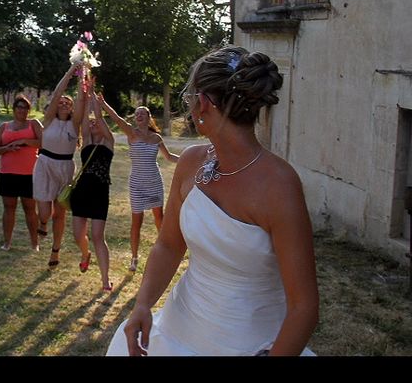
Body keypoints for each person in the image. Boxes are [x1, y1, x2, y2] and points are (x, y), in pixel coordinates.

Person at [106, 45, 319, 356]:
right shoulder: (191, 162)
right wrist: (142, 304)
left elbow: (304, 307)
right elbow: (168, 244)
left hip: (252, 346)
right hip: (177, 331)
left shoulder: (279, 184)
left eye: (191, 98)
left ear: (203, 103)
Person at [97, 97, 178, 271]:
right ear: (135, 118)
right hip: (137, 185)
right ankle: (134, 258)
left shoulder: (156, 138)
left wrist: (189, 159)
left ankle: (165, 252)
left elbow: (169, 157)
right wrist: (103, 104)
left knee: (159, 218)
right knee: (137, 222)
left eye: (143, 113)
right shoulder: (131, 133)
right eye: (137, 114)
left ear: (149, 117)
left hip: (154, 182)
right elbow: (117, 118)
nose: (140, 116)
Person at [33, 62, 85, 269]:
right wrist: (72, 71)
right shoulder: (48, 120)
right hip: (45, 164)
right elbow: (56, 93)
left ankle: (55, 251)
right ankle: (42, 222)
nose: (63, 103)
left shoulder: (75, 124)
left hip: (65, 168)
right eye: (61, 102)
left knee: (60, 212)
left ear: (72, 108)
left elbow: (82, 97)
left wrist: (83, 75)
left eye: (67, 102)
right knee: (45, 212)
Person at [70, 80, 115, 292]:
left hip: (100, 193)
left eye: (97, 123)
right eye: (91, 124)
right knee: (78, 234)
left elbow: (97, 117)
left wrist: (96, 100)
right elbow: (86, 121)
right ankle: (85, 253)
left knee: (98, 236)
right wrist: (85, 94)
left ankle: (105, 280)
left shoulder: (108, 142)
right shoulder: (86, 141)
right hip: (82, 192)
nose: (93, 124)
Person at [0, 95, 43, 251]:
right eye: (19, 107)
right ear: (14, 109)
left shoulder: (33, 124)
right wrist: (7, 148)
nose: (22, 110)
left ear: (28, 110)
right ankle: (7, 242)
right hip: (7, 173)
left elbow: (43, 143)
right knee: (9, 208)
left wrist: (24, 141)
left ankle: (35, 243)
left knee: (30, 209)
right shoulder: (4, 126)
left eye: (25, 107)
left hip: (29, 174)